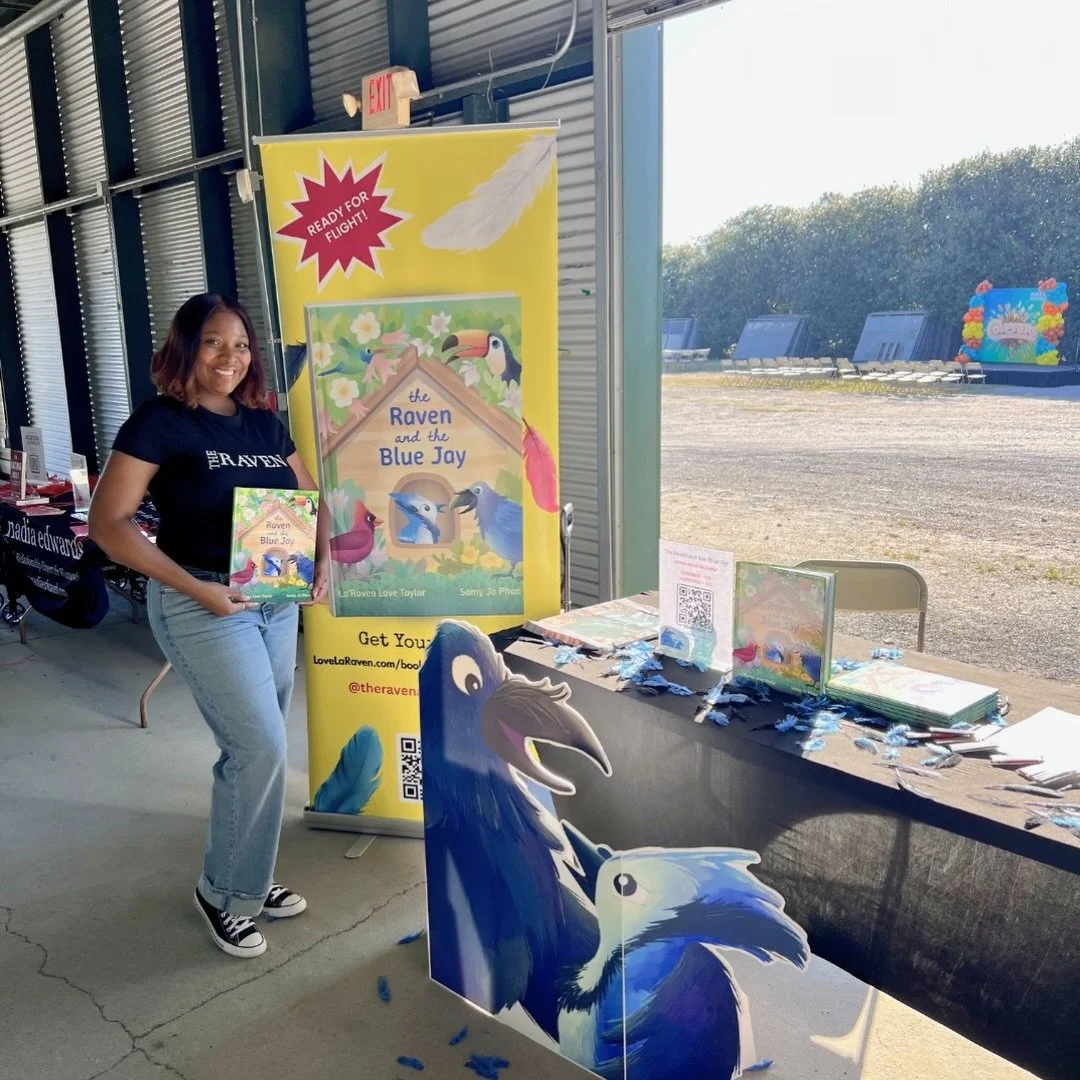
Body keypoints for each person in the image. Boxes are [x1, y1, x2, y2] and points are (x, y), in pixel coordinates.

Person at [89, 293, 329, 959]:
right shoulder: (159, 423)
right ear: (187, 348)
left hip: (273, 602)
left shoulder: (261, 425)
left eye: (242, 345)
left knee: (257, 748)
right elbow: (108, 526)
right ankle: (224, 891)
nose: (231, 357)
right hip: (201, 604)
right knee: (262, 749)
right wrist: (198, 588)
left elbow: (306, 500)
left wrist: (319, 560)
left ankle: (249, 873)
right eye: (215, 343)